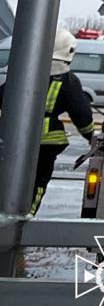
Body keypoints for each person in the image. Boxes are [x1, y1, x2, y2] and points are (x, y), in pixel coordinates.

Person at [0, 29, 96, 214]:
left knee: (7, 178)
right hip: (45, 145)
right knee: (37, 183)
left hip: (12, 139)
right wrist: (91, 137)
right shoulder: (67, 80)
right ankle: (24, 219)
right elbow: (82, 115)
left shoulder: (23, 72)